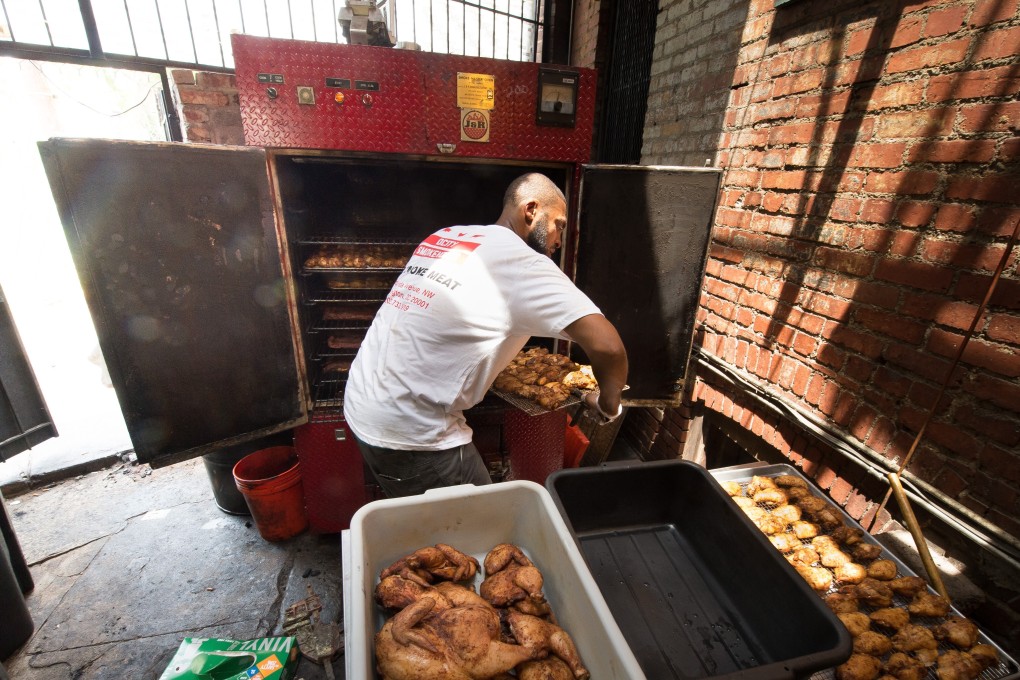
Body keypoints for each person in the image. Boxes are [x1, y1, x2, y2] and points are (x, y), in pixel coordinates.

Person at [343, 172, 628, 497]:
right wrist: (608, 403)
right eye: (558, 225)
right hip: (411, 428)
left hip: (363, 399)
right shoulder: (525, 263)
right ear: (531, 210)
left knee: (438, 526)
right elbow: (608, 346)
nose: (559, 240)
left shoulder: (448, 236)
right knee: (479, 533)